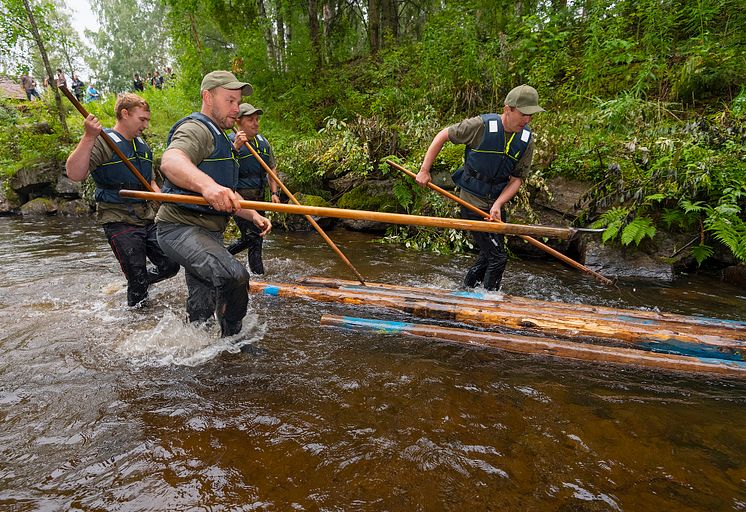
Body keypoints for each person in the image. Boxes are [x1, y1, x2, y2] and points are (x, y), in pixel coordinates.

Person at [155, 70, 271, 337]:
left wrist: (253, 215)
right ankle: (233, 341)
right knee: (234, 277)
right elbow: (171, 161)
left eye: (238, 101)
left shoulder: (224, 139)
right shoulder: (196, 129)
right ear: (208, 97)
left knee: (201, 312)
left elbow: (229, 194)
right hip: (179, 229)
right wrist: (207, 186)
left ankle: (202, 356)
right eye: (230, 101)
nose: (236, 108)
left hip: (208, 233)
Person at [415, 84, 545, 292]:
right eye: (523, 114)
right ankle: (489, 302)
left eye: (531, 116)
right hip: (471, 201)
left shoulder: (525, 139)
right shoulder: (480, 126)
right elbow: (443, 135)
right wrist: (424, 170)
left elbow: (517, 179)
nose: (527, 120)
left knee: (488, 256)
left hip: (495, 204)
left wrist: (499, 204)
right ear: (507, 109)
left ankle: (467, 292)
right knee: (498, 258)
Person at [65, 93, 179, 307]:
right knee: (137, 275)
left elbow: (151, 180)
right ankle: (137, 318)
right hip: (118, 218)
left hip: (147, 217)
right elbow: (74, 173)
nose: (145, 125)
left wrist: (160, 199)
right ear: (124, 114)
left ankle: (138, 283)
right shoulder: (103, 142)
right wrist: (89, 137)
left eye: (147, 120)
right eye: (141, 119)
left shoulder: (142, 146)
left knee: (170, 265)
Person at [227, 103, 281, 274]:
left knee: (257, 237)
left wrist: (274, 192)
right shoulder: (229, 141)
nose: (256, 123)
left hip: (260, 197)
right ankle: (258, 274)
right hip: (239, 199)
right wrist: (235, 148)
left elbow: (271, 168)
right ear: (238, 121)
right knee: (254, 237)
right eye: (250, 119)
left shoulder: (263, 142)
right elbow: (222, 169)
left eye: (257, 119)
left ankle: (253, 272)